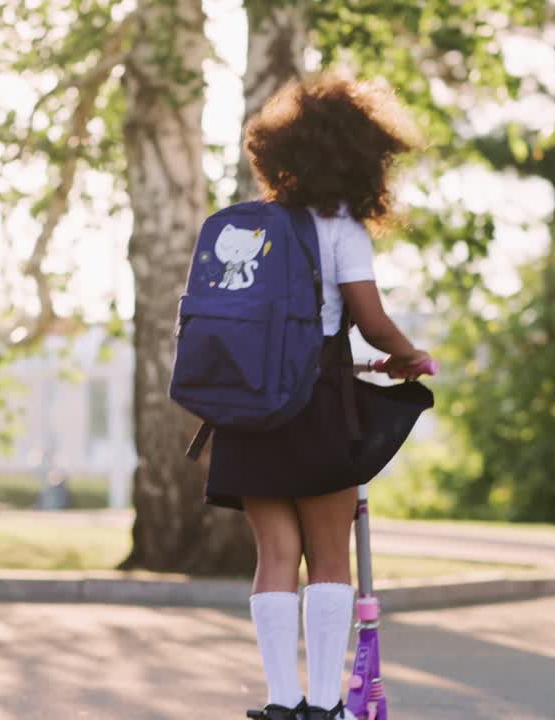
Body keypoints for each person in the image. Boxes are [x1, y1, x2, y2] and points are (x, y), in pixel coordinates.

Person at [204, 73, 433, 720]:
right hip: (316, 405)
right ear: (362, 157)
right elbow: (371, 323)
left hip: (246, 408)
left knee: (274, 554)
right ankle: (327, 705)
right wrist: (409, 359)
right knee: (330, 554)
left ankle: (282, 702)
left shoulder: (248, 226)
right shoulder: (340, 229)